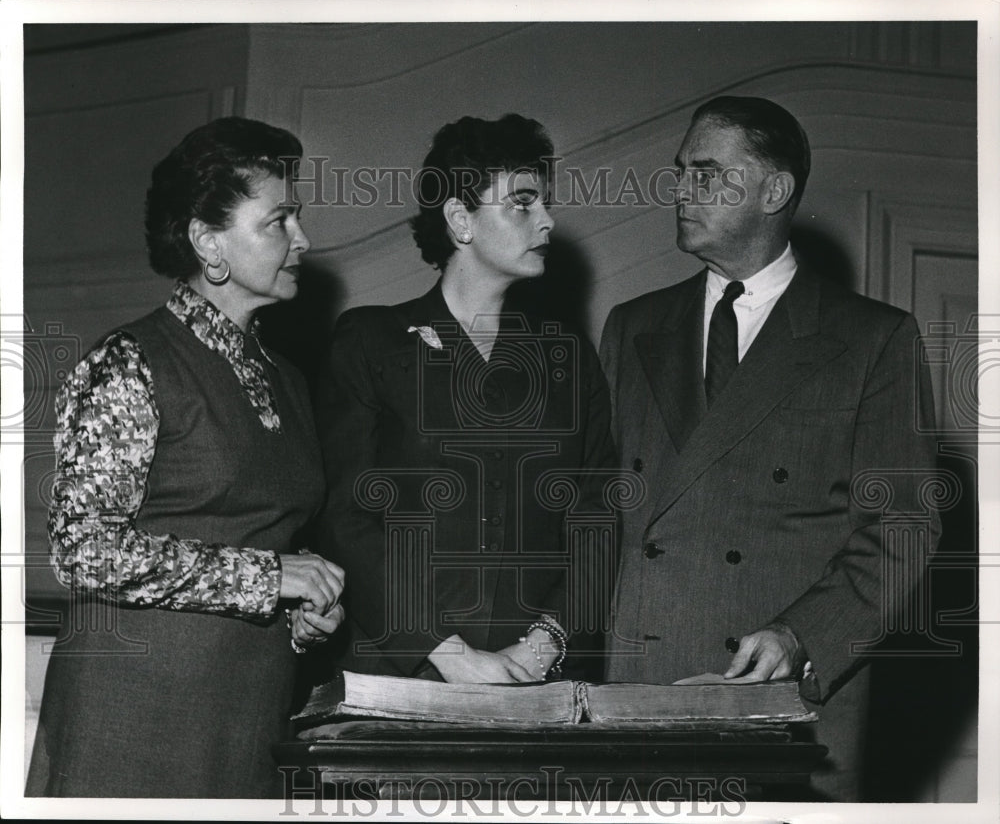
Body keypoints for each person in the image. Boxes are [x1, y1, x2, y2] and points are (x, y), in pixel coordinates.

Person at [599, 96, 939, 800]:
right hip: (640, 700)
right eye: (680, 172)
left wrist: (799, 635)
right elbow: (595, 512)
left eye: (706, 173)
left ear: (775, 190)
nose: (681, 191)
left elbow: (903, 526)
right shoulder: (632, 327)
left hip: (781, 708)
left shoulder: (871, 339)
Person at [26, 117, 345, 798]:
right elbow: (83, 550)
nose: (303, 240)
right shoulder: (131, 362)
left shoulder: (285, 376)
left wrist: (300, 616)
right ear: (208, 242)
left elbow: (257, 543)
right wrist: (269, 577)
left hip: (247, 715)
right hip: (132, 718)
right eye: (279, 221)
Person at [315, 114, 617, 684]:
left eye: (544, 204)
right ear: (461, 219)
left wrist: (544, 646)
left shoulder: (569, 359)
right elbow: (345, 517)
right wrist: (450, 656)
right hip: (401, 679)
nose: (549, 222)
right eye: (523, 204)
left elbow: (596, 517)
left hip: (536, 682)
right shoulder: (371, 341)